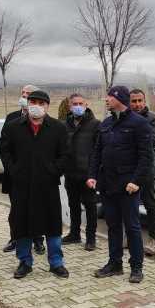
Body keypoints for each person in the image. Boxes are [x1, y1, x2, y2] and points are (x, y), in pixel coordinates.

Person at [0, 90, 70, 279]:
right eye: (33, 101)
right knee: (22, 224)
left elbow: (65, 155)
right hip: (21, 185)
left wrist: (54, 170)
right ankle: (24, 261)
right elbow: (4, 150)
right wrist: (13, 170)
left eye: (41, 102)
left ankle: (56, 262)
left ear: (47, 106)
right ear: (27, 103)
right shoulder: (13, 126)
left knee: (53, 224)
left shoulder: (57, 128)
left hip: (48, 185)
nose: (37, 106)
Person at [87, 86, 153, 283]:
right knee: (113, 225)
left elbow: (146, 157)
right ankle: (115, 264)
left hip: (128, 186)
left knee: (132, 227)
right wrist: (92, 175)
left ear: (120, 99)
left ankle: (136, 267)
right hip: (108, 184)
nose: (106, 100)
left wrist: (136, 181)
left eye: (110, 96)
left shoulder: (139, 123)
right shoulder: (106, 123)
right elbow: (97, 152)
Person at [1, 84, 45, 255]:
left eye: (29, 94)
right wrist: (12, 168)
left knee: (38, 208)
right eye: (23, 93)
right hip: (16, 176)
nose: (25, 96)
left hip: (38, 175)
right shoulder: (11, 118)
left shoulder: (44, 119)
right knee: (16, 210)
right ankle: (15, 238)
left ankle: (38, 241)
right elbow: (4, 146)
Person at [62, 93, 100, 251]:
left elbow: (98, 150)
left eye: (80, 103)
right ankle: (74, 233)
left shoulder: (95, 124)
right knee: (73, 205)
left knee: (90, 206)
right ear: (70, 106)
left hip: (88, 174)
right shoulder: (65, 125)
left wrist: (94, 173)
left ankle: (91, 238)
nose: (77, 106)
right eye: (74, 103)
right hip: (70, 173)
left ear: (86, 105)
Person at [129, 88, 155, 256]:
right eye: (133, 101)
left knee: (149, 204)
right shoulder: (124, 118)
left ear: (144, 101)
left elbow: (154, 140)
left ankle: (153, 239)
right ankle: (131, 238)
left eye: (139, 101)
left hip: (146, 169)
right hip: (128, 168)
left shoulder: (152, 119)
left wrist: (137, 129)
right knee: (129, 205)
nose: (137, 104)